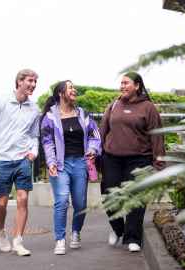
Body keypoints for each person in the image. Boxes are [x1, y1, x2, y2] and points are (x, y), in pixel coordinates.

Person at [0, 69, 40, 256]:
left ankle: (18, 240)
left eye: (36, 82)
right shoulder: (1, 102)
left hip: (23, 160)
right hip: (2, 159)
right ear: (19, 81)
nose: (33, 85)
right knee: (1, 203)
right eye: (30, 81)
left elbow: (34, 136)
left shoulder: (34, 109)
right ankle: (2, 232)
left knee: (23, 198)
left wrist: (33, 152)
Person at [100, 72, 165, 252]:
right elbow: (103, 130)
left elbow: (157, 136)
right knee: (108, 195)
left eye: (126, 83)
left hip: (139, 159)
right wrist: (98, 153)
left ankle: (133, 238)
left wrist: (159, 164)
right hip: (112, 158)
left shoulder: (148, 107)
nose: (122, 86)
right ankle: (117, 228)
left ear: (137, 86)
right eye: (121, 83)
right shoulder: (114, 105)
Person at [40, 80, 101, 255]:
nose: (74, 90)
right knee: (61, 201)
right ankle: (60, 239)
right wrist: (51, 162)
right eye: (70, 87)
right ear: (61, 93)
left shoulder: (83, 114)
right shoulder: (50, 117)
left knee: (80, 203)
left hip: (80, 163)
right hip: (60, 165)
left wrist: (92, 150)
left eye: (74, 87)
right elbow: (47, 142)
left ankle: (76, 232)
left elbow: (94, 136)